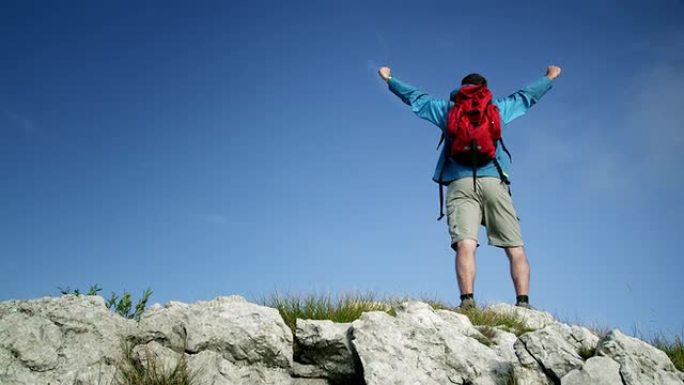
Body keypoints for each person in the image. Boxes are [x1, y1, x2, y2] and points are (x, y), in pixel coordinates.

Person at [378, 65, 561, 309]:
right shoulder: (497, 108)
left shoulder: (447, 110)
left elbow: (416, 98)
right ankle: (524, 303)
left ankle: (467, 302)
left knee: (465, 244)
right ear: (484, 90)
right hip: (494, 181)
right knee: (515, 246)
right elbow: (526, 97)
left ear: (461, 90)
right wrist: (549, 78)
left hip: (460, 183)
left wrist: (390, 79)